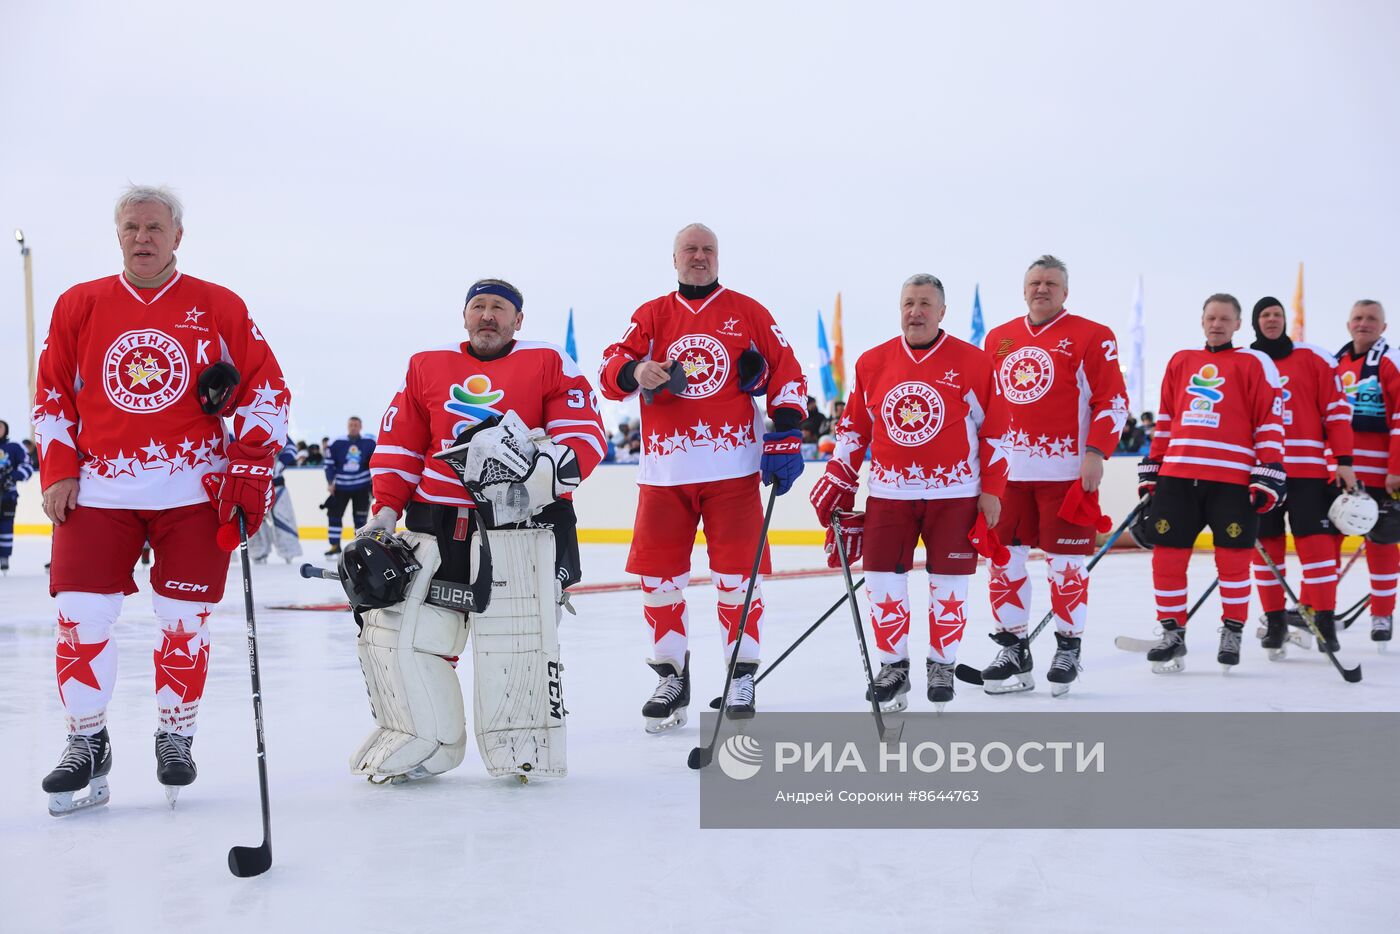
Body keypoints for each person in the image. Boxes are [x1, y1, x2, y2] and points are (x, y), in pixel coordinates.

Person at [30, 185, 289, 814]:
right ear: (116, 234)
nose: (141, 237)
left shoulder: (218, 305)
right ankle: (86, 742)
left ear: (178, 236)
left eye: (153, 227)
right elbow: (52, 394)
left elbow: (267, 390)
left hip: (193, 490)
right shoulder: (80, 303)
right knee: (81, 618)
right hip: (97, 491)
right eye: (130, 227)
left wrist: (249, 469)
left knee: (183, 621)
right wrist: (58, 469)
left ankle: (176, 734)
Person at [354, 278, 606, 782]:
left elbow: (583, 434)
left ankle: (522, 746)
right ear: (464, 316)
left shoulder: (550, 362)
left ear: (518, 319)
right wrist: (385, 509)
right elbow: (401, 443)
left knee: (518, 642)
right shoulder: (426, 364)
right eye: (478, 307)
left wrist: (543, 471)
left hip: (522, 525)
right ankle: (423, 740)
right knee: (411, 636)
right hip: (436, 522)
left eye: (499, 308)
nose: (487, 315)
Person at [598, 222, 807, 733]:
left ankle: (741, 673)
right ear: (674, 259)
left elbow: (788, 372)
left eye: (708, 250)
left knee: (738, 578)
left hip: (733, 471)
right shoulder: (651, 315)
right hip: (665, 474)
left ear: (719, 258)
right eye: (689, 249)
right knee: (659, 580)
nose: (699, 257)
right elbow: (609, 368)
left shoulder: (749, 312)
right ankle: (671, 677)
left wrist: (785, 429)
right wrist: (635, 373)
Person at [810, 274, 1007, 711]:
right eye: (908, 303)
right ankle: (893, 667)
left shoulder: (974, 362)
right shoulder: (873, 362)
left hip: (955, 494)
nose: (915, 312)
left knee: (949, 584)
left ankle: (942, 665)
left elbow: (997, 430)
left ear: (942, 312)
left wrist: (991, 490)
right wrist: (840, 476)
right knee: (882, 582)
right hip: (889, 494)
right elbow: (854, 427)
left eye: (925, 304)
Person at [975, 255, 1128, 695]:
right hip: (1007, 476)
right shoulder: (999, 338)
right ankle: (1013, 647)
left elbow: (1111, 401)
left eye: (1051, 284)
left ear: (1065, 292)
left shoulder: (1092, 336)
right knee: (1005, 563)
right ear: (1024, 289)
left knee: (1066, 566)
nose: (1041, 289)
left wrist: (1096, 452)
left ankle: (1068, 646)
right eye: (1034, 282)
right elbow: (986, 407)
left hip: (1066, 474)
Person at [1137, 294, 1284, 672]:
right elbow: (1167, 419)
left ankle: (1232, 630)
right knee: (1167, 559)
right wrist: (1154, 466)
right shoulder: (1181, 360)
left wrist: (1267, 472)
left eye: (1224, 319)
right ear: (1202, 321)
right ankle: (1172, 633)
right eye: (1210, 318)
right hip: (1178, 477)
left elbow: (1268, 421)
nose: (1216, 324)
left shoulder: (1254, 363)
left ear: (1238, 325)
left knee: (1234, 561)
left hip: (1231, 480)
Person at [1247, 297, 1356, 654]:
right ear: (1255, 322)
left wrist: (1344, 460)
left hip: (1309, 472)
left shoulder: (1314, 358)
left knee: (1318, 548)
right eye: (1265, 315)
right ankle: (1275, 622)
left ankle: (1324, 621)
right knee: (1267, 551)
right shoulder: (1246, 362)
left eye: (1277, 314)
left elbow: (1337, 411)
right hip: (1263, 473)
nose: (1272, 319)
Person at [1334, 299, 1400, 644]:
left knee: (1383, 545)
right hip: (1341, 473)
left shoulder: (1390, 362)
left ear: (1383, 327)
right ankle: (1319, 608)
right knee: (1326, 541)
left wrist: (1396, 468)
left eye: (1372, 318)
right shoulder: (1336, 362)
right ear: (1348, 324)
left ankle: (1382, 613)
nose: (1364, 323)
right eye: (1358, 317)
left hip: (1379, 475)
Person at [323, 416, 375, 555]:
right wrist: (330, 482)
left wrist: (374, 484)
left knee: (360, 519)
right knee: (334, 516)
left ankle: (359, 547)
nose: (353, 427)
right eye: (351, 425)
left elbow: (375, 464)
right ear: (348, 426)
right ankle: (335, 546)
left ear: (360, 427)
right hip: (340, 487)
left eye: (356, 425)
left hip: (362, 487)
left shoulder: (369, 443)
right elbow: (329, 464)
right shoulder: (336, 443)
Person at [249, 440, 303, 564]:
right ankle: (258, 552)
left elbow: (291, 448)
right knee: (253, 520)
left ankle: (289, 551)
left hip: (276, 484)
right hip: (252, 485)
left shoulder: (276, 428)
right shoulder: (240, 430)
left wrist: (280, 463)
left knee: (283, 517)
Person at [1, 419, 37, 572]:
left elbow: (27, 466)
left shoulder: (14, 448)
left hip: (8, 496)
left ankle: (4, 557)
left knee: (6, 525)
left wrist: (12, 477)